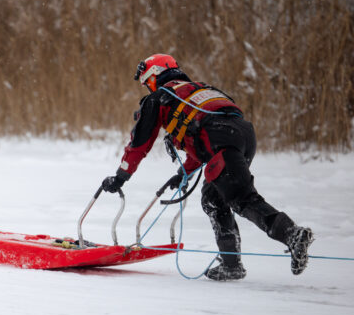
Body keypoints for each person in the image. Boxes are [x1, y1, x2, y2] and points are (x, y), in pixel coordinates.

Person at [101, 54, 314, 281]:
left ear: (155, 76)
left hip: (220, 138)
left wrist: (121, 177)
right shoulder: (197, 89)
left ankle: (292, 234)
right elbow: (199, 135)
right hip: (242, 135)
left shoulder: (160, 98)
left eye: (147, 82)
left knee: (241, 198)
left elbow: (139, 143)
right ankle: (231, 264)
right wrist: (183, 173)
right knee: (213, 197)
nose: (147, 89)